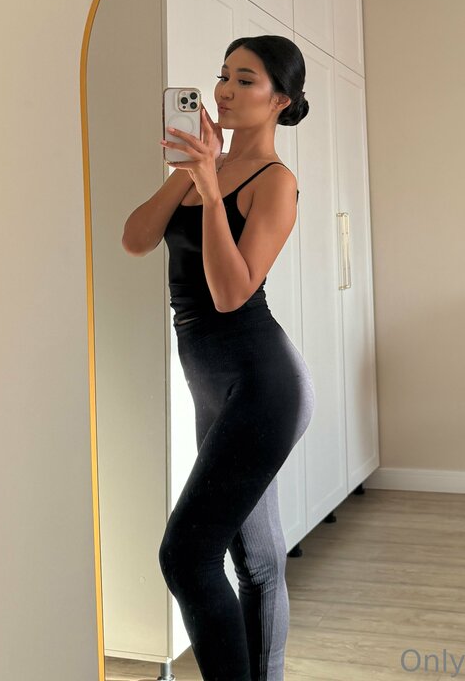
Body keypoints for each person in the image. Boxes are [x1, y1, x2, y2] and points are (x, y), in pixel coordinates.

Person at [122, 34, 315, 681]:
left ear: (281, 100)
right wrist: (190, 172)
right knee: (253, 559)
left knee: (186, 555)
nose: (226, 91)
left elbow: (232, 294)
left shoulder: (276, 183)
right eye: (223, 75)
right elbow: (136, 239)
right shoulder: (204, 166)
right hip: (214, 384)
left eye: (246, 80)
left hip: (262, 384)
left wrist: (210, 192)